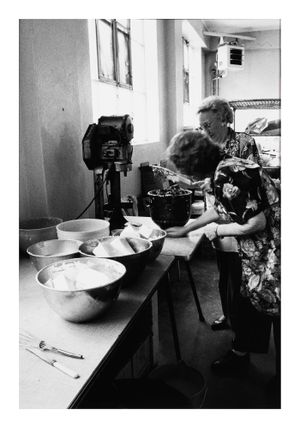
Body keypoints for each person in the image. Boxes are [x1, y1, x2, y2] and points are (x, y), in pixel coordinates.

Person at [165, 130, 280, 380]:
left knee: (276, 306)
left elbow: (256, 223)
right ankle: (242, 353)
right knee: (251, 302)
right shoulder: (226, 165)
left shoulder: (226, 174)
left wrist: (217, 231)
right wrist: (187, 228)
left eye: (183, 168)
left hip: (274, 249)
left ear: (193, 165)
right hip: (263, 248)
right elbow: (220, 208)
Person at [197, 95, 261, 331]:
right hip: (216, 217)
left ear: (224, 119)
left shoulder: (244, 143)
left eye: (208, 125)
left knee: (240, 276)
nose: (204, 131)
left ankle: (241, 326)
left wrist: (221, 185)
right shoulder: (207, 147)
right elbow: (210, 178)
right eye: (201, 126)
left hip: (240, 222)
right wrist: (204, 183)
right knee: (224, 272)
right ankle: (228, 315)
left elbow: (252, 181)